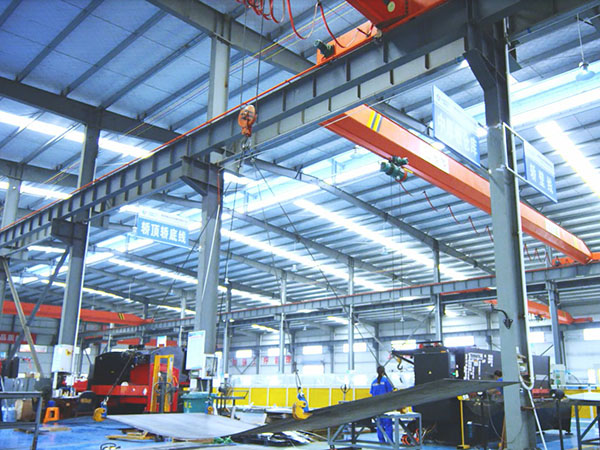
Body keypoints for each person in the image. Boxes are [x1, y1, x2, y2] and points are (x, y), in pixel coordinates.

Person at [370, 366, 394, 443]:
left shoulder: (373, 382)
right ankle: (390, 441)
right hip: (386, 406)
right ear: (383, 371)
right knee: (388, 425)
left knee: (379, 425)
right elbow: (390, 393)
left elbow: (372, 394)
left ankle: (381, 441)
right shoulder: (386, 381)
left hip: (377, 407)